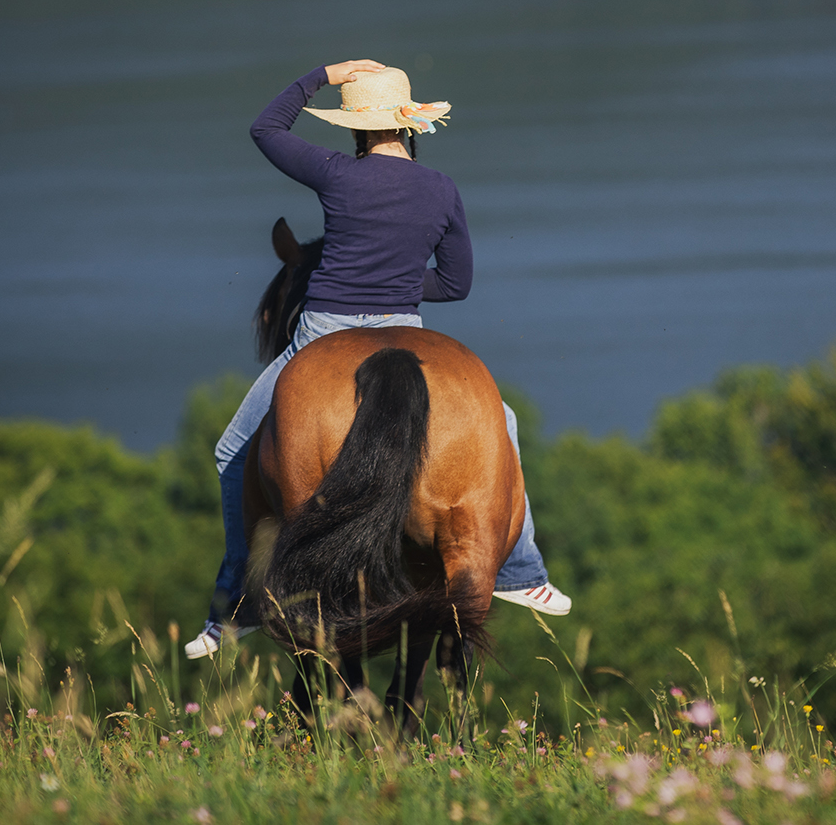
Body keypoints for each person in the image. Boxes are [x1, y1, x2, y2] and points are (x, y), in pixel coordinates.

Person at [185, 59, 570, 659]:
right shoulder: (441, 187)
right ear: (409, 127)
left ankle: (236, 603)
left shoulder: (338, 173)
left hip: (322, 333)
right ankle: (523, 573)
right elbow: (457, 282)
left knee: (233, 447)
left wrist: (321, 74)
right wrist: (396, 285)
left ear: (356, 130)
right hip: (404, 326)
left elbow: (266, 129)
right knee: (504, 426)